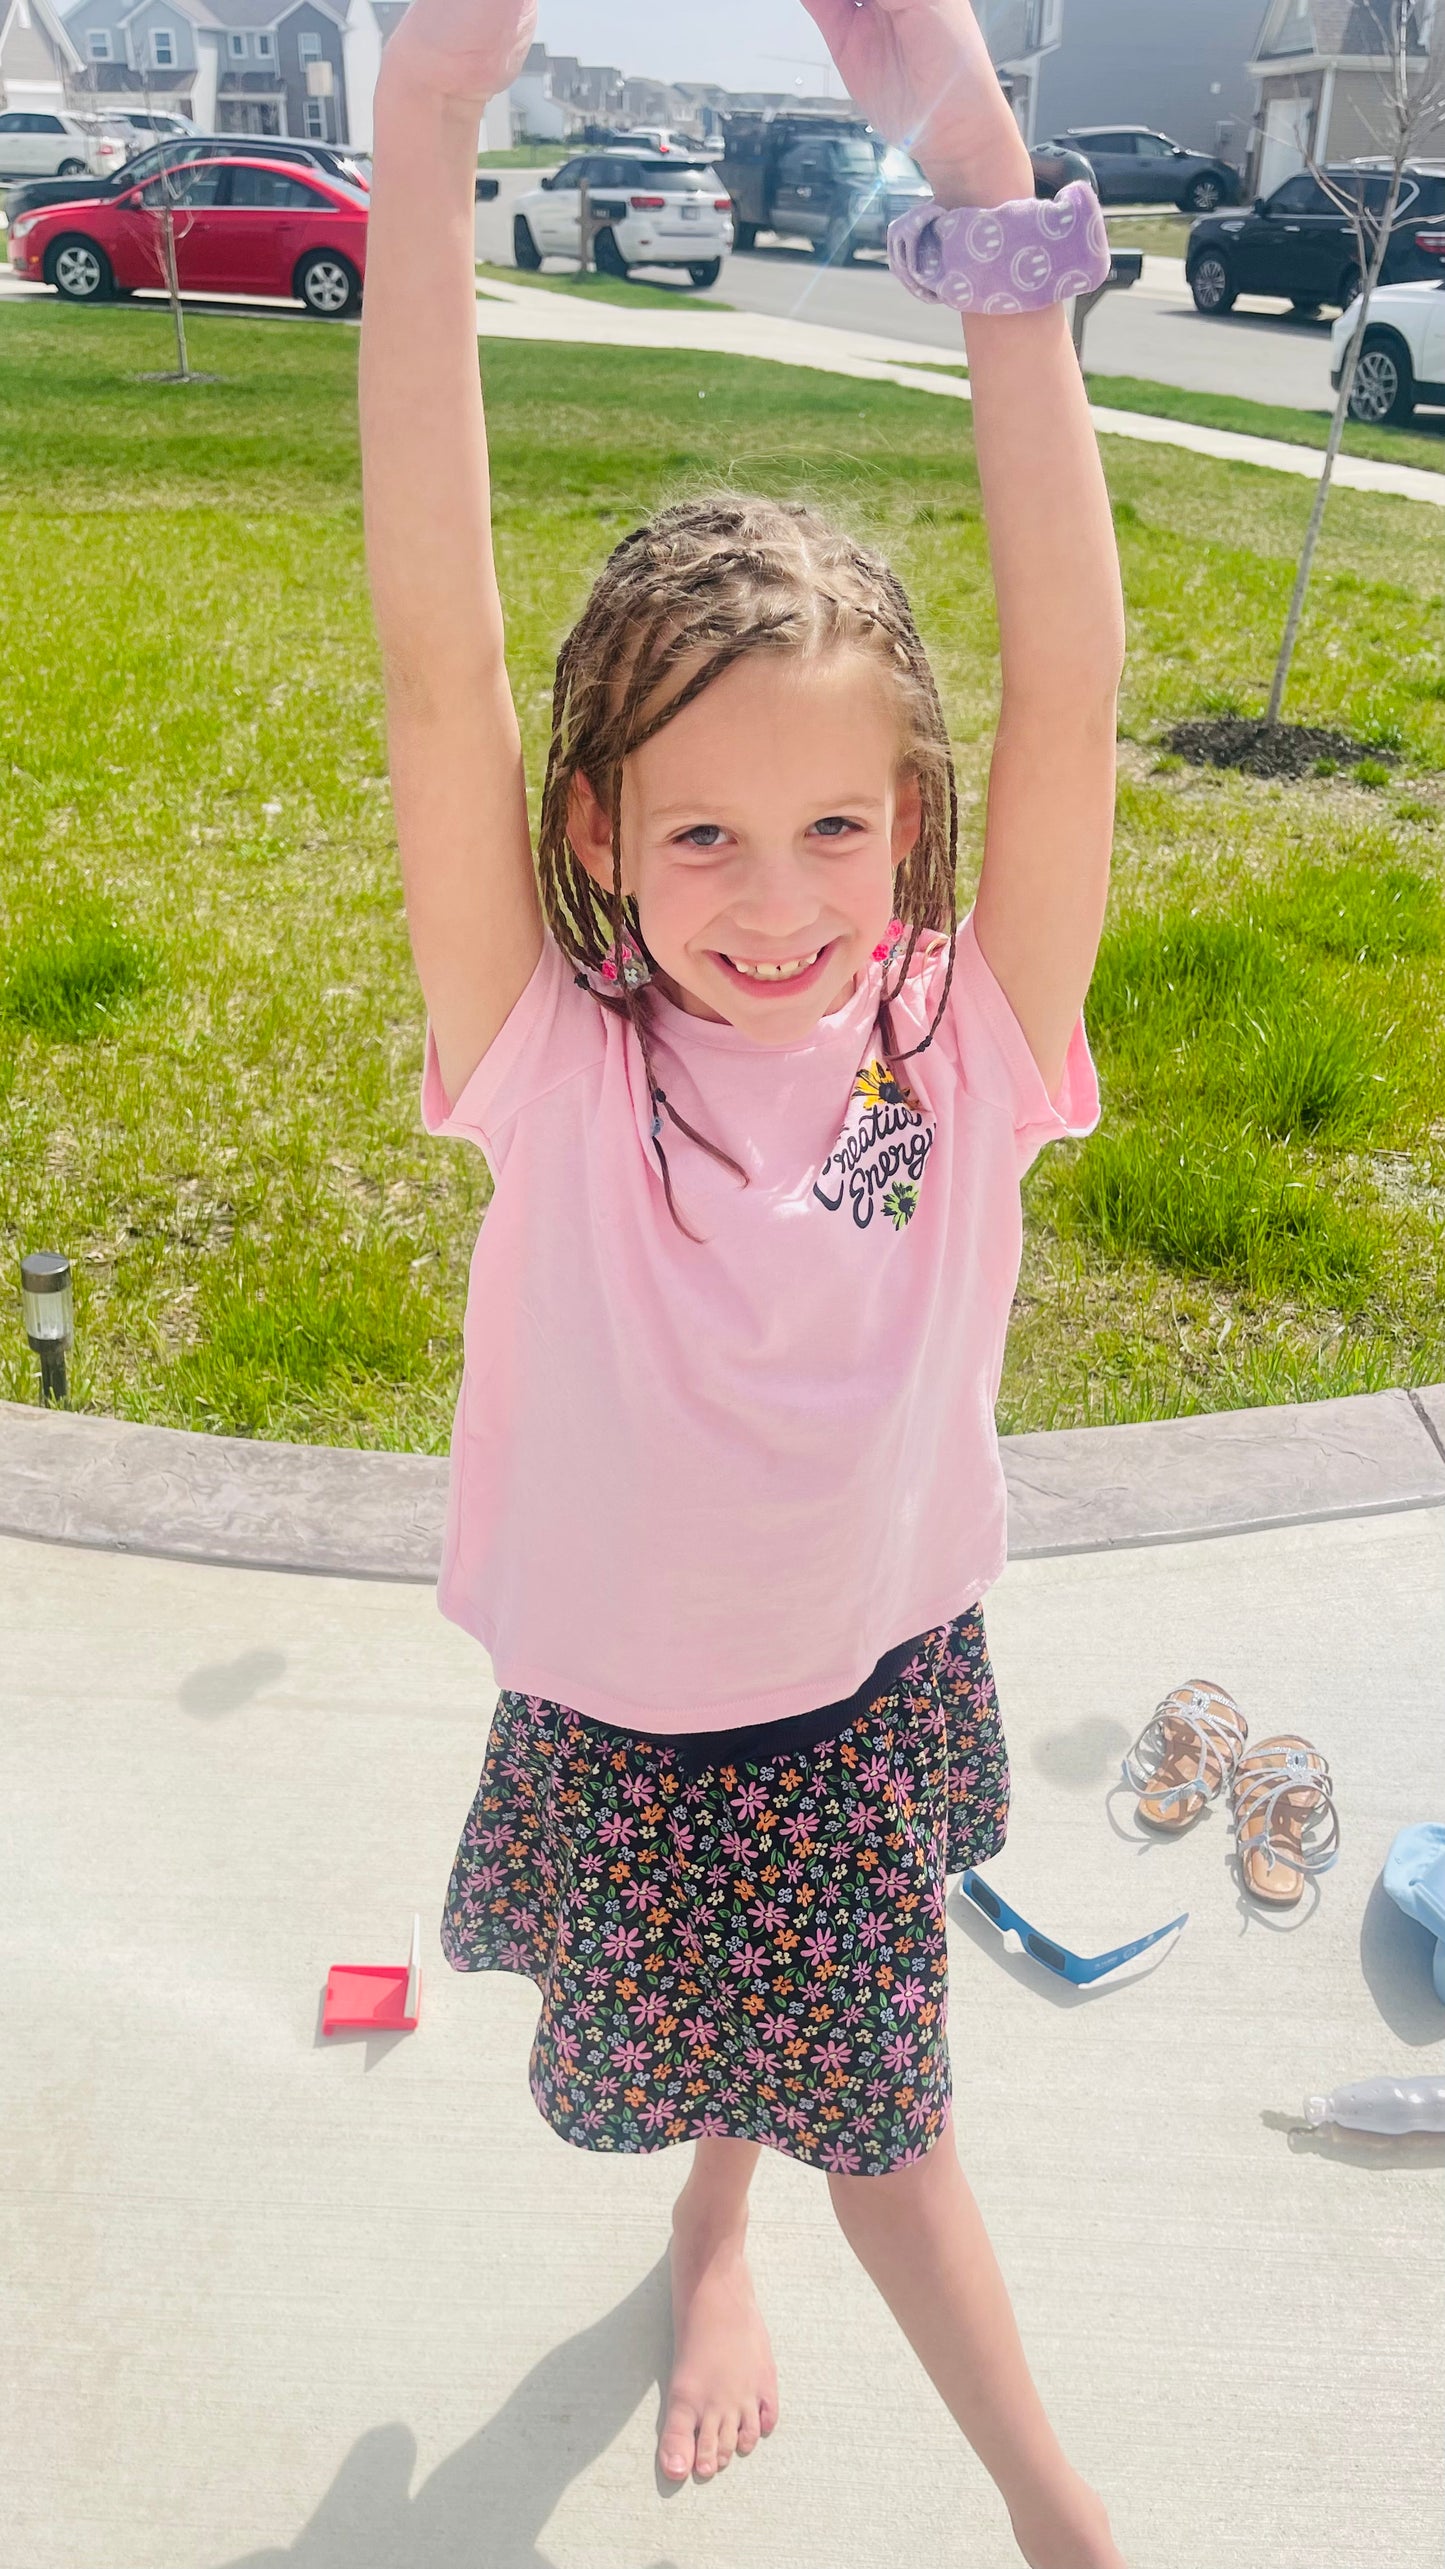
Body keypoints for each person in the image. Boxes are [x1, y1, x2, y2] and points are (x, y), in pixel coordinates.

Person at [359, 2, 1127, 2562]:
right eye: (698, 837)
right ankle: (718, 2230)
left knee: (880, 2129)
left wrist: (991, 174)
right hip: (650, 1723)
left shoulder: (969, 1031)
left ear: (913, 814)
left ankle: (1054, 2516)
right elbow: (436, 654)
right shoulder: (549, 1059)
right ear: (594, 825)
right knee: (777, 2076)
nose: (778, 902)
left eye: (832, 823)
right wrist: (433, 117)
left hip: (875, 1677)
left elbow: (1075, 679)